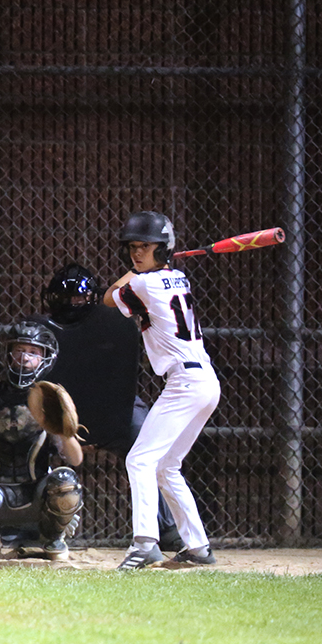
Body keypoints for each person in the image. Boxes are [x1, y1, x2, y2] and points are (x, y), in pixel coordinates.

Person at [37, 263, 185, 553]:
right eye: (66, 299)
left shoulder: (113, 322)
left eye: (78, 299)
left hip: (116, 407)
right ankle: (30, 525)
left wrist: (104, 423)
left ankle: (165, 529)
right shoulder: (43, 332)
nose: (72, 304)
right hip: (63, 411)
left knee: (147, 442)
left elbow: (122, 380)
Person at [103, 211, 220, 570]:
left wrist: (138, 272)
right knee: (167, 467)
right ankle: (198, 547)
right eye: (133, 248)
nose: (136, 253)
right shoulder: (178, 277)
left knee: (139, 460)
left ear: (163, 249)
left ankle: (144, 543)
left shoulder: (144, 284)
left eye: (145, 247)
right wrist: (154, 262)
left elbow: (108, 298)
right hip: (205, 383)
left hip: (185, 384)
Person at [0, 320, 85, 561]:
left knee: (65, 481)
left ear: (45, 359)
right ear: (9, 354)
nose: (24, 357)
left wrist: (63, 427)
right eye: (19, 350)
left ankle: (52, 535)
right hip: (0, 497)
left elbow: (75, 459)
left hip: (38, 496)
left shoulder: (49, 400)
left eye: (33, 352)